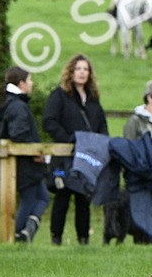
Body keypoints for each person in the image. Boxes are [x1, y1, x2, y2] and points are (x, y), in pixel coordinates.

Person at [43, 54, 108, 245]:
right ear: (70, 72)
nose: (82, 72)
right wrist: (69, 139)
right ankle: (56, 238)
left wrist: (101, 144)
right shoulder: (59, 95)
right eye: (78, 68)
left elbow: (102, 125)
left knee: (83, 197)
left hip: (86, 157)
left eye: (85, 69)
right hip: (65, 156)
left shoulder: (93, 99)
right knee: (62, 196)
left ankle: (83, 240)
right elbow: (49, 122)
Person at [0, 66, 50, 243]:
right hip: (24, 163)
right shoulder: (18, 106)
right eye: (30, 80)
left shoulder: (14, 104)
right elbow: (19, 135)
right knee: (30, 199)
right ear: (21, 83)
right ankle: (18, 234)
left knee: (42, 197)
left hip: (26, 162)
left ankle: (27, 229)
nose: (32, 84)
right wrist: (33, 153)